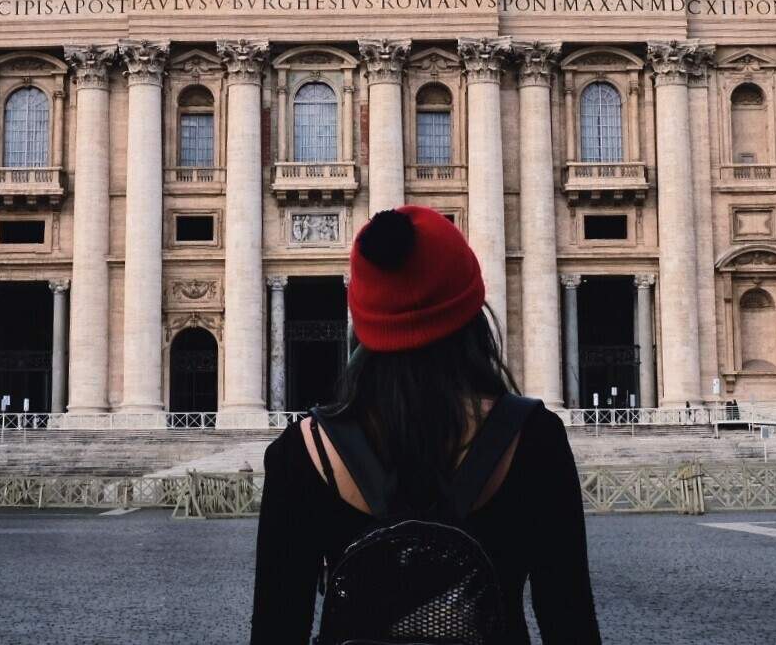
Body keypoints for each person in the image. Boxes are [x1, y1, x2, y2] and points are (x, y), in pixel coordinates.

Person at [251, 206, 600, 643]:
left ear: (363, 320)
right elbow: (571, 625)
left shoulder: (302, 452)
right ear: (472, 313)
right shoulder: (534, 439)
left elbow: (275, 632)